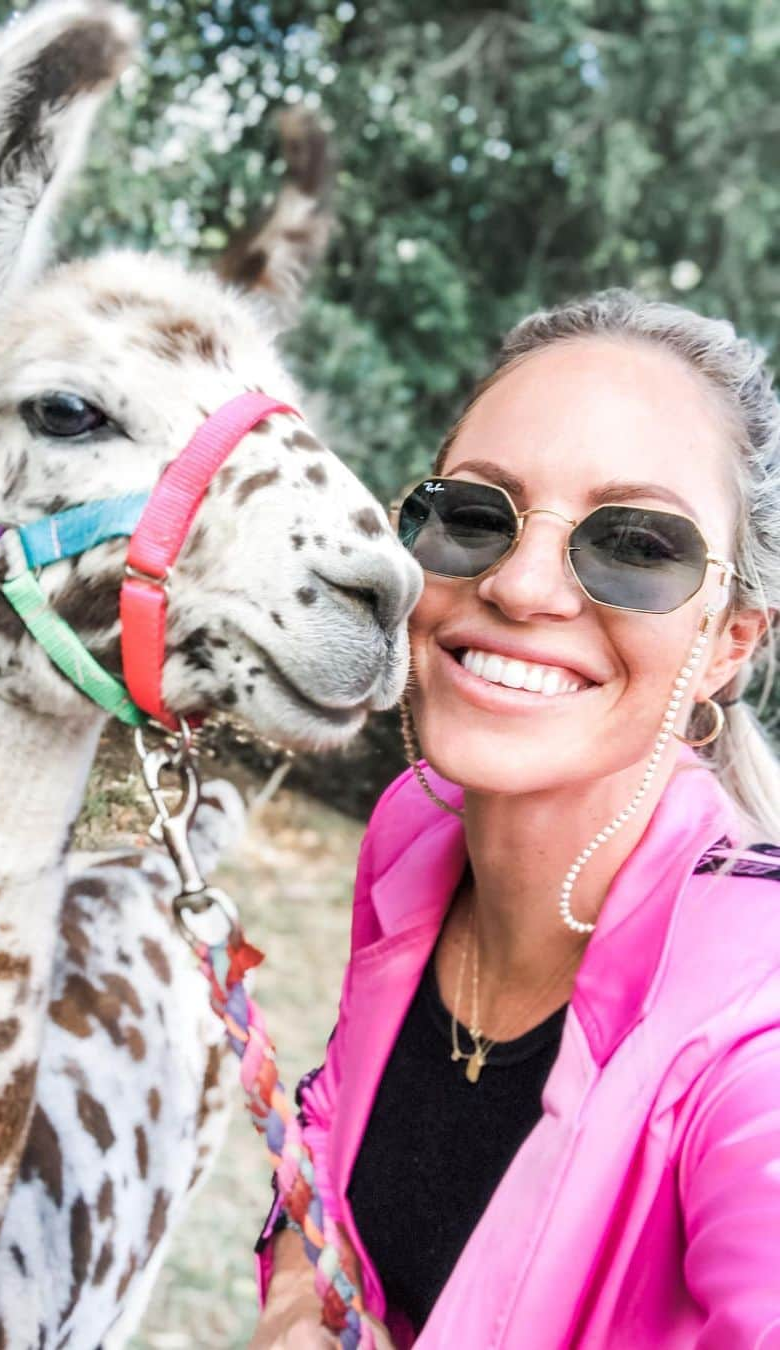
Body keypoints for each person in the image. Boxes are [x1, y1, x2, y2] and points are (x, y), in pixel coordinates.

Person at [250, 291, 780, 1349]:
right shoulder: (420, 831)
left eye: (636, 542)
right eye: (477, 514)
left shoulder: (754, 1039)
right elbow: (332, 1114)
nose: (523, 583)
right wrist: (298, 1295)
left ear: (729, 640)